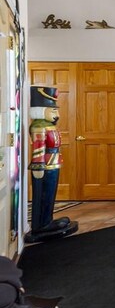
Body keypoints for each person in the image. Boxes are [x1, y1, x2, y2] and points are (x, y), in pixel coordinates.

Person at [26, 86, 78, 243]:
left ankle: (47, 220)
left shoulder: (47, 126)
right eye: (53, 111)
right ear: (42, 110)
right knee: (45, 194)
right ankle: (42, 224)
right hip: (45, 167)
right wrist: (38, 166)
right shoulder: (39, 127)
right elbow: (38, 150)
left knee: (50, 194)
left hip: (53, 164)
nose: (57, 115)